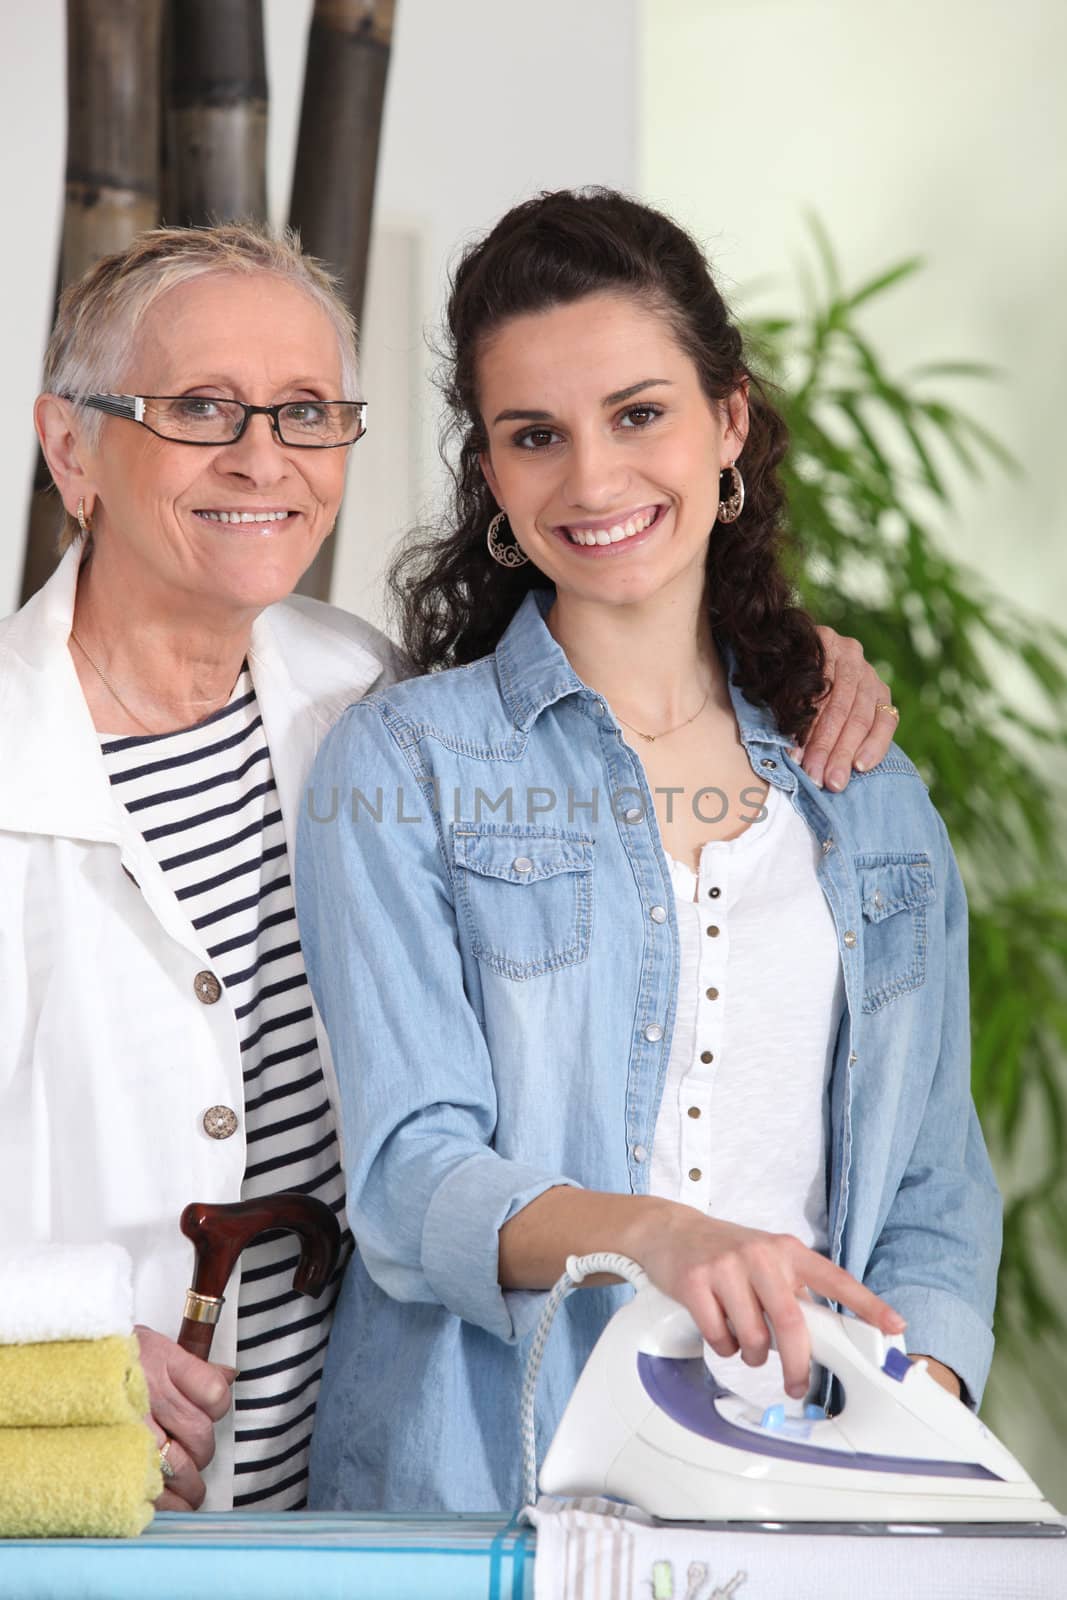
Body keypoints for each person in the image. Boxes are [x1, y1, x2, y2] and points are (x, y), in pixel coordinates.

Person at [0, 216, 891, 1514]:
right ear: (70, 445)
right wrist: (47, 1353)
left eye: (308, 412)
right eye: (201, 407)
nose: (265, 456)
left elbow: (628, 669)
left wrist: (783, 651)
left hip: (361, 1510)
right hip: (81, 1520)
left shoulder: (366, 701)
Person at [296, 189, 1002, 1515]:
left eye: (639, 414)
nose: (595, 481)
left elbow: (935, 1186)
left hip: (817, 1502)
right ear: (492, 475)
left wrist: (914, 1429)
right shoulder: (402, 768)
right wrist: (657, 1238)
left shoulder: (872, 790)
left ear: (728, 420)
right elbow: (411, 1180)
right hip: (491, 1493)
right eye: (534, 437)